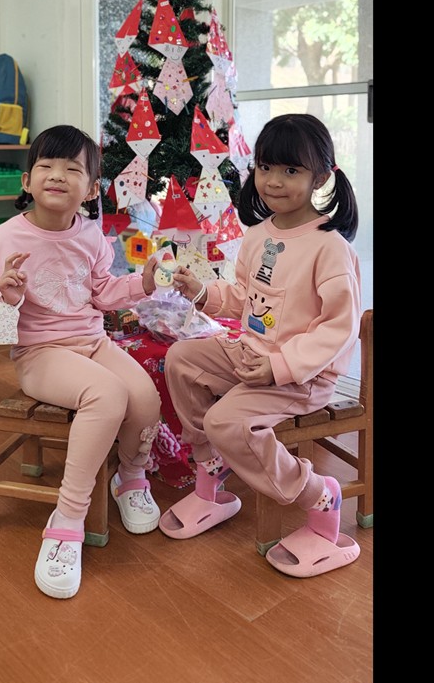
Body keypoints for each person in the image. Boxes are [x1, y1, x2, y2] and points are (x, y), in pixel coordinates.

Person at [0, 124, 162, 600]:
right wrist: (5, 293)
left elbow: (103, 292)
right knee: (107, 395)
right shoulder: (8, 236)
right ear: (26, 180)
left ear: (90, 189)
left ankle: (130, 477)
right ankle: (68, 518)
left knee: (145, 396)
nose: (56, 175)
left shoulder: (91, 235)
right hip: (40, 353)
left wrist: (145, 283)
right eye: (46, 165)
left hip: (92, 342)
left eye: (72, 169)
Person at [160, 112, 362, 578]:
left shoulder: (330, 248)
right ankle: (212, 467)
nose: (274, 181)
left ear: (321, 177)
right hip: (250, 352)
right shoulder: (258, 235)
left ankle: (320, 497)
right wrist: (202, 292)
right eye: (266, 167)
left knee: (224, 420)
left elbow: (338, 329)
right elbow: (245, 299)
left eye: (291, 170)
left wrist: (280, 367)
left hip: (303, 376)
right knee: (181, 359)